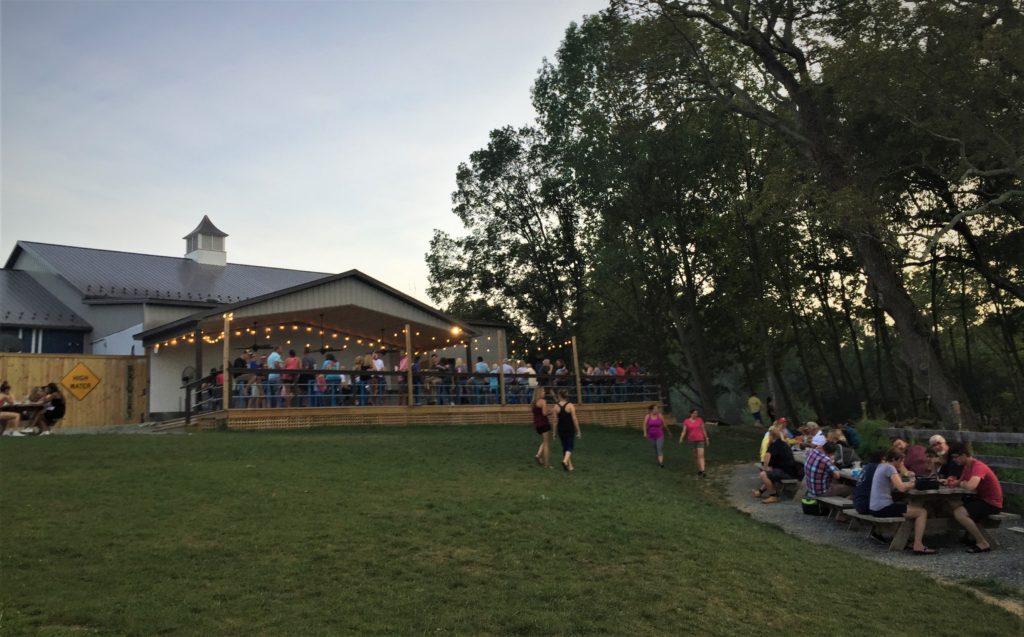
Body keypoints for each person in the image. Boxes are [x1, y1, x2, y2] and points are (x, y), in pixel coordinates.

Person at [869, 448, 934, 553]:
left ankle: (909, 539)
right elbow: (901, 488)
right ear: (895, 459)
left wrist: (910, 483)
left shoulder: (881, 466)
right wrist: (917, 484)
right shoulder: (890, 468)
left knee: (906, 505)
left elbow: (896, 486)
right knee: (922, 512)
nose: (902, 464)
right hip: (883, 508)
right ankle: (918, 545)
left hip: (875, 507)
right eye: (901, 461)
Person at [947, 442, 1002, 553]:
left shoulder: (978, 466)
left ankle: (982, 542)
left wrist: (962, 484)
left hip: (991, 503)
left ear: (964, 455)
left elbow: (971, 485)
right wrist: (950, 482)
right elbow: (960, 482)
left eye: (956, 457)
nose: (954, 460)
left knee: (959, 513)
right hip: (981, 499)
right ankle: (970, 536)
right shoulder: (967, 466)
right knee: (952, 503)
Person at [754, 426, 799, 503]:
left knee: (763, 474)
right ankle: (760, 492)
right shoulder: (783, 443)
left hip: (786, 473)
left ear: (771, 436)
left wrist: (765, 468)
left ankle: (773, 496)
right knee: (770, 474)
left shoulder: (774, 445)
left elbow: (767, 456)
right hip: (791, 471)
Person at [554, 388, 581, 471]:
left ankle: (570, 467)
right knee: (570, 446)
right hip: (569, 429)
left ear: (559, 396)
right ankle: (565, 461)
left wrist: (554, 433)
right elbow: (574, 419)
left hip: (561, 429)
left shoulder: (555, 407)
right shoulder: (570, 406)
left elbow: (555, 421)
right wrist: (578, 431)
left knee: (565, 447)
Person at [852, 450, 885, 515]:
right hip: (866, 505)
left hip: (858, 503)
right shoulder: (878, 469)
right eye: (885, 460)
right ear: (882, 460)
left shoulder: (867, 467)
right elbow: (898, 486)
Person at [679, 408, 708, 478]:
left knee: (701, 455)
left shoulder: (700, 420)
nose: (696, 414)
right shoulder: (686, 421)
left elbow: (703, 429)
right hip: (691, 440)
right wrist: (681, 438)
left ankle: (703, 471)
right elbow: (684, 431)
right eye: (694, 413)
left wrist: (706, 438)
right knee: (695, 456)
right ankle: (700, 470)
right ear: (691, 414)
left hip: (700, 439)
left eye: (697, 413)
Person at [531, 386, 553, 468]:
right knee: (547, 443)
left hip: (537, 425)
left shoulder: (533, 403)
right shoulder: (543, 401)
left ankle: (538, 455)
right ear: (539, 393)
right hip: (544, 424)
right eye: (543, 391)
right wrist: (551, 411)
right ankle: (547, 464)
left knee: (545, 441)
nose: (544, 393)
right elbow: (544, 413)